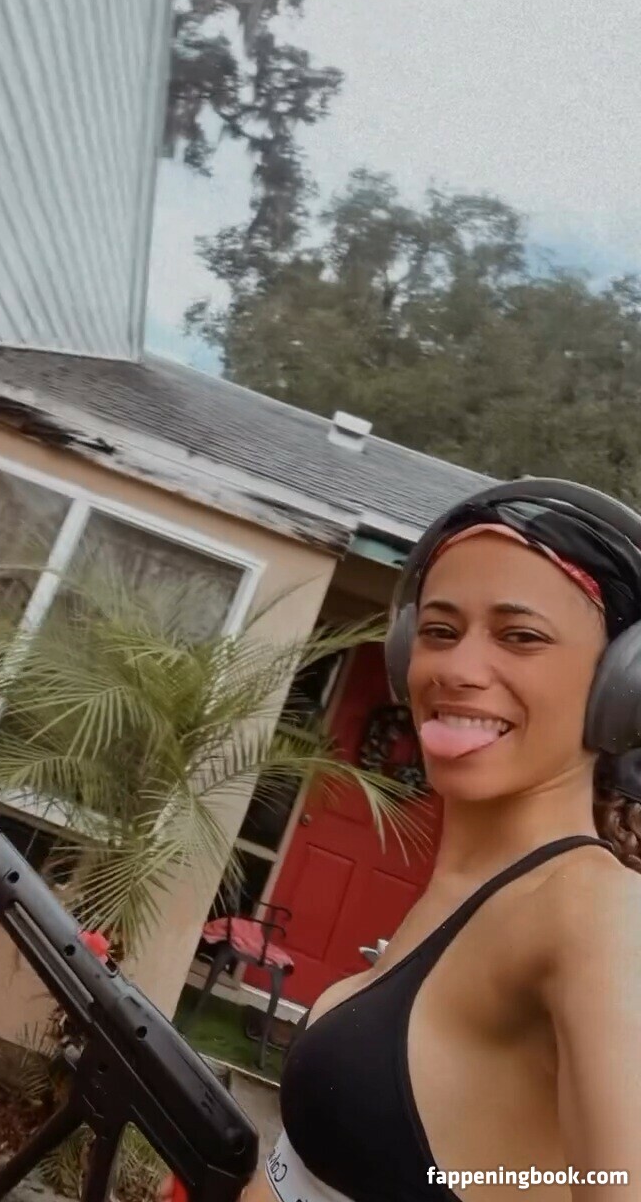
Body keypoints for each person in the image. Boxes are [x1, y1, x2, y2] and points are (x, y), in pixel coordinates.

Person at [161, 478, 641, 1202]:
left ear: (622, 689)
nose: (458, 669)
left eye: (521, 637)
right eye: (440, 631)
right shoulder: (466, 894)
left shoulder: (595, 911)